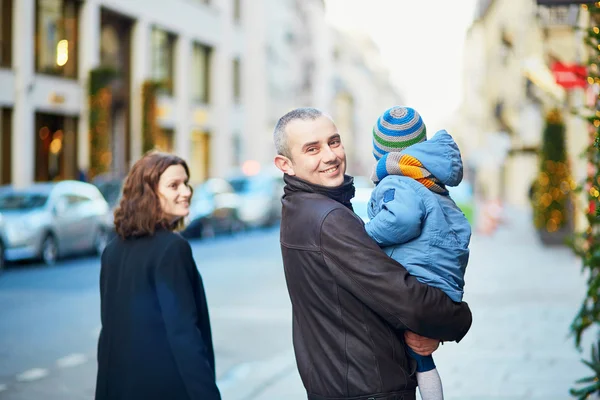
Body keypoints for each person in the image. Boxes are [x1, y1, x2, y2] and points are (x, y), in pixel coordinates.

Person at [273, 107, 472, 400]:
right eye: (312, 149)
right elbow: (406, 299)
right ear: (285, 164)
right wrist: (459, 319)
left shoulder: (302, 207)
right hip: (367, 387)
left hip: (346, 382)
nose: (330, 155)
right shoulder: (328, 219)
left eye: (334, 142)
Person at [95, 151, 221, 400]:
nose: (186, 192)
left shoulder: (112, 250)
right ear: (149, 194)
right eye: (174, 185)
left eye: (186, 183)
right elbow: (183, 333)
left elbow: (108, 336)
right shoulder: (172, 248)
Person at [365, 106, 472, 400]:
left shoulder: (397, 180)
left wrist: (365, 234)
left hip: (419, 280)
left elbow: (402, 219)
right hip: (441, 285)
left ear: (380, 153)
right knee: (422, 358)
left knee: (409, 354)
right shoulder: (430, 181)